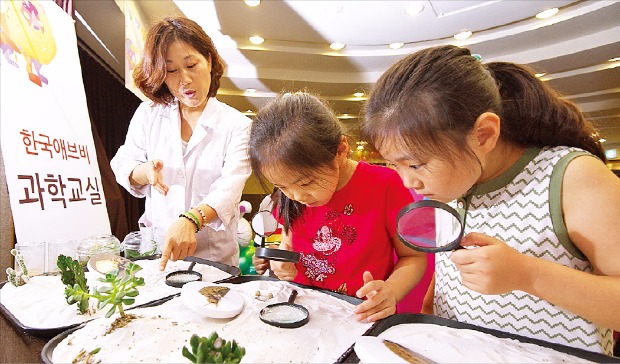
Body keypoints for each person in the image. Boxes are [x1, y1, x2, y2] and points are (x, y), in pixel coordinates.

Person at [362, 45, 620, 355]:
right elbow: (449, 273)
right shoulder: (455, 184)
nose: (408, 182)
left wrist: (529, 275)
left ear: (484, 134)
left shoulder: (572, 176)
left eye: (416, 164)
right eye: (395, 165)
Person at [248, 92, 427, 322]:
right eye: (281, 186)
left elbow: (413, 257)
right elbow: (288, 243)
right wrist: (283, 266)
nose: (297, 196)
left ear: (341, 150)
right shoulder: (291, 194)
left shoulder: (385, 185)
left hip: (359, 314)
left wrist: (391, 291)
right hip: (304, 310)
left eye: (306, 182)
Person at [110, 16, 252, 271]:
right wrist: (145, 172)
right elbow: (123, 161)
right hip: (160, 250)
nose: (184, 79)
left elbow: (230, 187)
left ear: (209, 60)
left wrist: (192, 219)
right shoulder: (149, 113)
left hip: (214, 258)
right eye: (171, 71)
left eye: (191, 65)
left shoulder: (237, 124)